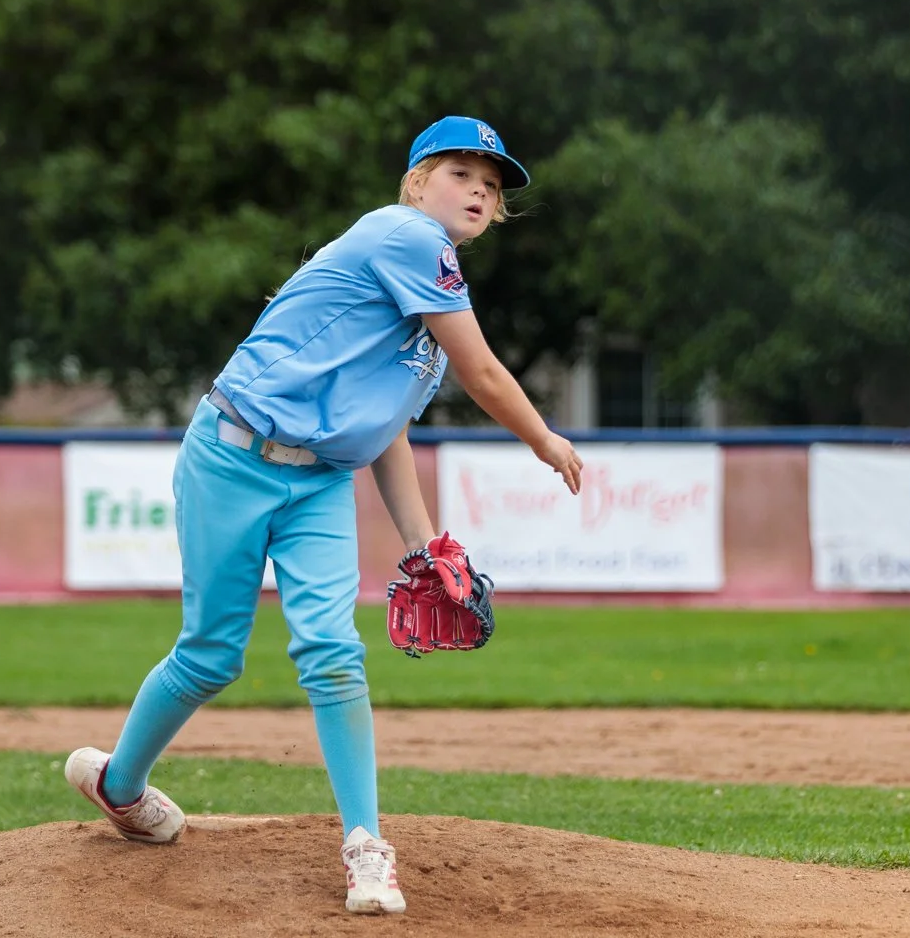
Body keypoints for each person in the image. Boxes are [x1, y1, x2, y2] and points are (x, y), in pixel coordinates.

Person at [64, 115, 583, 915]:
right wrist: (543, 438)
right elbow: (484, 371)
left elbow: (386, 432)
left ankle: (366, 845)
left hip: (318, 484)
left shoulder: (426, 329)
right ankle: (119, 786)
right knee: (210, 655)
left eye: (491, 185)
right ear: (417, 183)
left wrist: (422, 542)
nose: (480, 191)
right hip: (232, 456)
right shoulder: (407, 237)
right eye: (461, 174)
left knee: (334, 651)